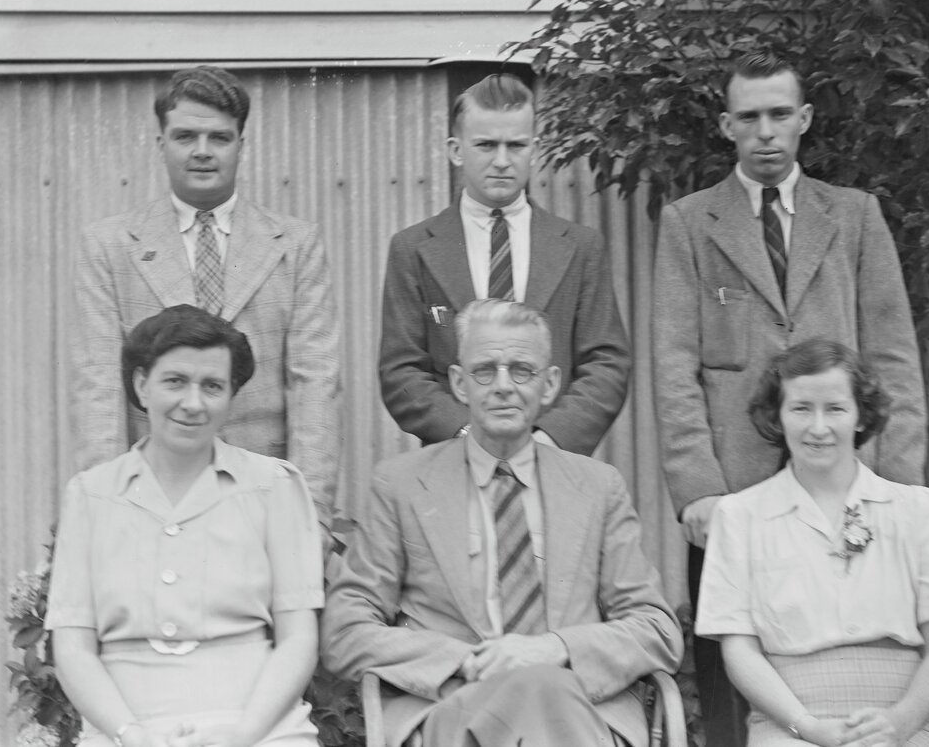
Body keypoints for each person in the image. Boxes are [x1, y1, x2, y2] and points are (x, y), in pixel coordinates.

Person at [652, 49, 927, 746]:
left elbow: (893, 357)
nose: (766, 132)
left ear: (804, 119)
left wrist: (897, 480)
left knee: (853, 638)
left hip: (847, 472)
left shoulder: (855, 216)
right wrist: (697, 490)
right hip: (735, 486)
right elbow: (675, 363)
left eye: (780, 115)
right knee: (728, 654)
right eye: (750, 118)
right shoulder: (690, 223)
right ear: (726, 125)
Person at [323, 299, 682, 747]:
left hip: (579, 707)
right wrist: (464, 659)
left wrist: (554, 649)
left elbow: (656, 627)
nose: (504, 386)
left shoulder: (597, 487)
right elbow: (345, 630)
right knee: (539, 688)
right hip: (456, 706)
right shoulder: (402, 485)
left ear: (550, 385)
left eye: (522, 370)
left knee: (545, 685)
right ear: (459, 383)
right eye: (485, 370)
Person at [70, 65, 340, 548]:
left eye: (219, 137)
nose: (201, 151)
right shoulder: (111, 247)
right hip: (151, 496)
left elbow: (315, 383)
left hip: (265, 496)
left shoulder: (295, 245)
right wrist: (106, 511)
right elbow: (98, 390)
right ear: (161, 144)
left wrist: (311, 513)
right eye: (185, 136)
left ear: (242, 144)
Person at [47, 305, 323, 747]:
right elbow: (73, 650)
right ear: (142, 385)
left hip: (257, 725)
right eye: (175, 381)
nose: (193, 403)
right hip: (126, 726)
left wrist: (241, 736)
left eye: (212, 386)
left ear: (232, 395)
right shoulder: (91, 495)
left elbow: (298, 641)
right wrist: (130, 735)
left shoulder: (273, 487)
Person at [696, 338, 929, 747]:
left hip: (910, 722)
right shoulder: (740, 516)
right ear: (777, 415)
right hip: (790, 725)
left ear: (861, 416)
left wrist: (901, 721)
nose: (818, 427)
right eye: (800, 408)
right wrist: (806, 726)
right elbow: (740, 651)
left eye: (835, 408)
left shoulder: (915, 508)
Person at [378, 73, 630, 456]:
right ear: (455, 150)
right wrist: (467, 437)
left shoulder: (580, 247)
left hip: (555, 462)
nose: (501, 161)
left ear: (535, 149)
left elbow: (606, 363)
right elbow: (402, 371)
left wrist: (548, 439)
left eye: (515, 145)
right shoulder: (413, 249)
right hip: (453, 461)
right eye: (485, 145)